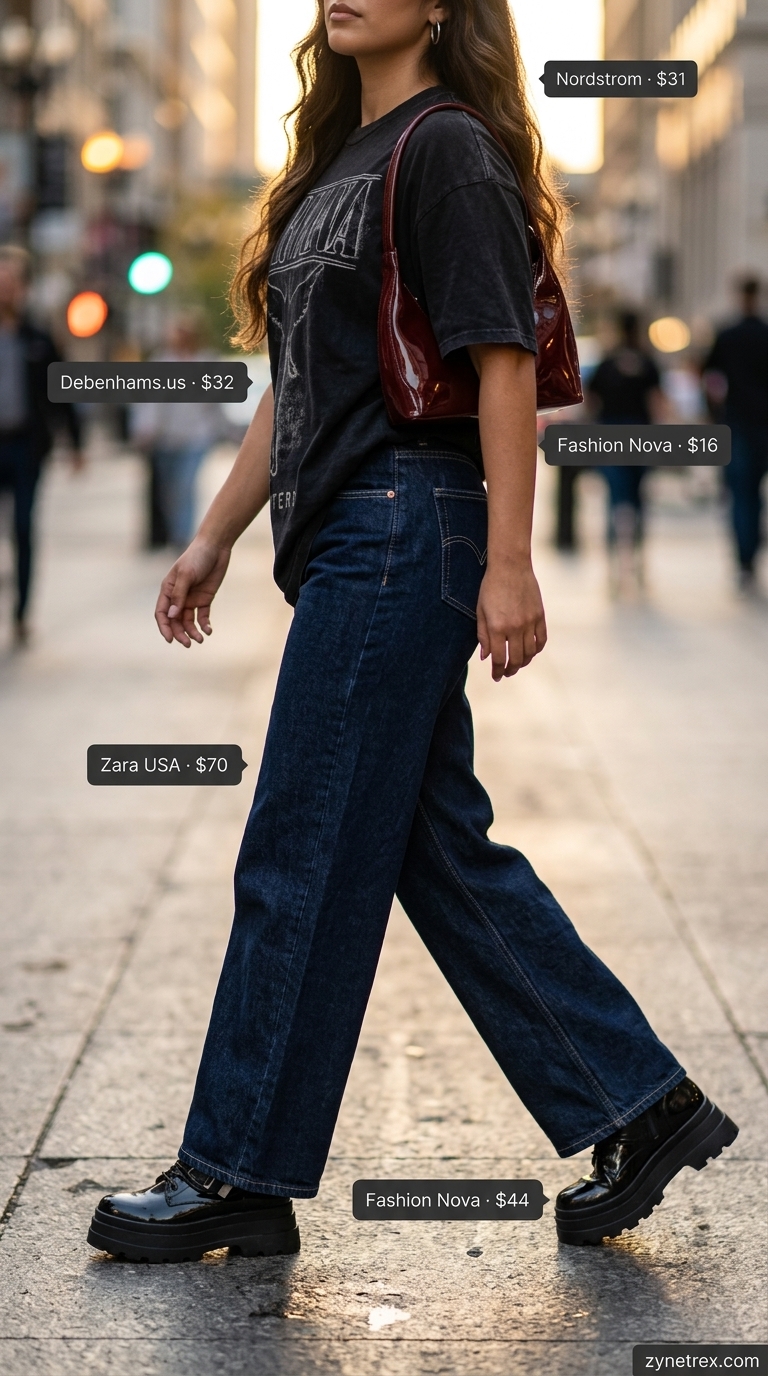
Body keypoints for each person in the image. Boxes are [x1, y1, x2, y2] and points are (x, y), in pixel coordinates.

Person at [87, 0, 737, 1262]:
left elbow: (502, 360)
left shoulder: (447, 147)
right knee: (433, 847)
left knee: (301, 841)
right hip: (344, 533)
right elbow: (297, 384)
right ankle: (637, 1103)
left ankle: (236, 1170)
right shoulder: (340, 160)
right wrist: (214, 535)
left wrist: (509, 561)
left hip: (407, 526)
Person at [0, 245, 81, 643]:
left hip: (25, 448)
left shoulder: (38, 338)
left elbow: (62, 391)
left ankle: (20, 613)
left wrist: (76, 444)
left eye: (11, 283)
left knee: (23, 528)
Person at [132, 314, 226, 551]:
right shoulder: (161, 363)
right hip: (166, 439)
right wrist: (145, 431)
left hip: (196, 438)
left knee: (185, 487)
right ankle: (174, 531)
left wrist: (225, 431)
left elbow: (216, 405)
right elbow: (149, 402)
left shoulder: (207, 363)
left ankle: (182, 537)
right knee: (169, 492)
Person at [588, 311, 664, 590]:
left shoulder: (607, 363)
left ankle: (613, 565)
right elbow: (657, 403)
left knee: (614, 500)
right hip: (641, 437)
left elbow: (591, 400)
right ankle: (639, 561)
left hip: (611, 436)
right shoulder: (647, 363)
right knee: (639, 499)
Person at [704, 277, 768, 589]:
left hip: (737, 424)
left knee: (742, 495)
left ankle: (745, 561)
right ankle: (752, 550)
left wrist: (713, 413)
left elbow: (708, 377)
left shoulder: (727, 335)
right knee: (751, 495)